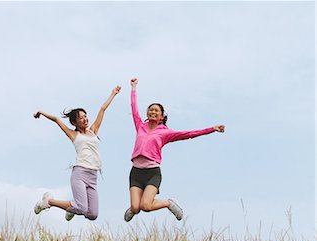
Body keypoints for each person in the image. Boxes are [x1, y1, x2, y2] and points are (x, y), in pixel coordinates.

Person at [124, 78, 225, 222]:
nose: (152, 111)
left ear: (161, 117)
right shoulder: (140, 126)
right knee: (135, 208)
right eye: (150, 110)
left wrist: (212, 129)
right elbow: (134, 107)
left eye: (156, 110)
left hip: (152, 172)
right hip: (136, 172)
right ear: (147, 114)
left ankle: (169, 203)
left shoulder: (166, 133)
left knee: (145, 206)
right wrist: (133, 88)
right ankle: (134, 208)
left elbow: (188, 134)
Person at [33, 86, 121, 221]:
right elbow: (57, 119)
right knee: (81, 207)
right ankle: (49, 202)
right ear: (75, 122)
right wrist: (42, 112)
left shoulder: (94, 131)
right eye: (81, 118)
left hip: (93, 176)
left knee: (92, 214)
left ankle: (71, 208)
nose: (85, 119)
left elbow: (102, 109)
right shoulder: (74, 135)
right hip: (80, 173)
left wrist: (113, 94)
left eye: (85, 116)